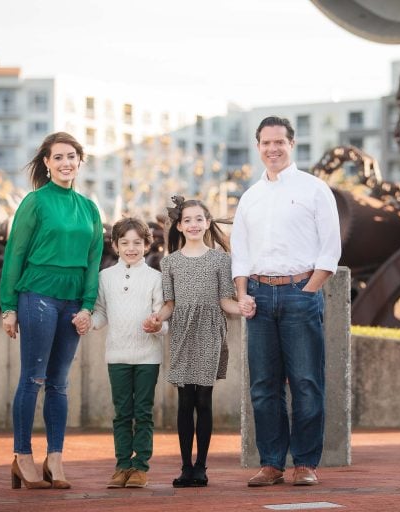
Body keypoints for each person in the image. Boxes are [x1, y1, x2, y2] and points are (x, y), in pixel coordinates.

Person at [231, 116, 341, 487]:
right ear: (258, 146)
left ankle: (306, 463)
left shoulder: (314, 189)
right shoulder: (250, 196)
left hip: (300, 294)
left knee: (307, 382)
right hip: (259, 298)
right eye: (266, 143)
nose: (273, 149)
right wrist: (243, 293)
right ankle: (272, 463)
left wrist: (309, 289)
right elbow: (240, 253)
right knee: (263, 386)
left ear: (291, 144)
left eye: (279, 142)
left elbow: (330, 249)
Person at [0, 132, 103, 490]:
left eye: (71, 156)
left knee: (59, 384)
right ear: (46, 162)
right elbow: (15, 252)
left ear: (80, 161)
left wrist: (88, 305)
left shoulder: (89, 208)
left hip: (72, 303)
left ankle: (54, 458)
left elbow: (93, 262)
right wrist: (8, 306)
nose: (65, 163)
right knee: (33, 378)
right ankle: (22, 456)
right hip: (37, 297)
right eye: (58, 157)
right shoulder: (35, 202)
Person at [153, 196, 248, 488]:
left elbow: (225, 301)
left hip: (209, 330)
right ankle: (185, 467)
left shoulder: (221, 259)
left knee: (203, 400)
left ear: (207, 223)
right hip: (182, 332)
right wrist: (157, 317)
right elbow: (169, 304)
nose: (193, 224)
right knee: (185, 401)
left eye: (199, 219)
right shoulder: (168, 262)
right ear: (179, 226)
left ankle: (201, 467)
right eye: (187, 220)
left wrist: (243, 306)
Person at [90, 217, 167, 489]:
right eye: (125, 243)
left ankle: (140, 467)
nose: (131, 248)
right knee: (122, 413)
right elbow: (99, 313)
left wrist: (156, 325)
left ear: (147, 245)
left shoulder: (156, 278)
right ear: (115, 245)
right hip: (117, 356)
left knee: (143, 412)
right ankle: (122, 465)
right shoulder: (105, 277)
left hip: (148, 358)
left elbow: (164, 319)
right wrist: (88, 322)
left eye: (137, 242)